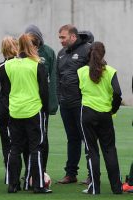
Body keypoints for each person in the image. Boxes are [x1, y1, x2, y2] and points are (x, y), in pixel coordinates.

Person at [5, 33, 51, 194]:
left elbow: (7, 87)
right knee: (36, 147)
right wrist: (45, 109)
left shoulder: (9, 65)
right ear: (32, 47)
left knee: (15, 148)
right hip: (33, 110)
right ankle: (38, 185)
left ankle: (12, 184)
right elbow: (44, 91)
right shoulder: (37, 64)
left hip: (15, 110)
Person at [78, 41, 122, 194]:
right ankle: (116, 188)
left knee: (92, 151)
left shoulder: (82, 71)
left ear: (89, 53)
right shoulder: (110, 71)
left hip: (87, 114)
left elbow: (78, 92)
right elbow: (117, 93)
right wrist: (113, 109)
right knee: (109, 150)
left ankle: (94, 188)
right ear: (103, 54)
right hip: (105, 114)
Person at [56, 24, 93, 184]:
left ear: (73, 36)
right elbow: (57, 78)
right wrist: (59, 98)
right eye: (59, 38)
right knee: (72, 139)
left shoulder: (87, 50)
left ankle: (92, 174)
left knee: (88, 139)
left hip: (81, 104)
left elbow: (95, 74)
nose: (61, 41)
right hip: (65, 104)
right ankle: (71, 174)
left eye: (63, 37)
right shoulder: (61, 53)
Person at [24, 25, 58, 175]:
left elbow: (53, 79)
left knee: (42, 136)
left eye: (35, 41)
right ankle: (29, 171)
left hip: (41, 104)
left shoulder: (48, 52)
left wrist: (51, 104)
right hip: (25, 103)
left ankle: (41, 170)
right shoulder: (21, 53)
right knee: (25, 138)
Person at [0, 36, 18, 169]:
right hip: (15, 106)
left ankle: (10, 174)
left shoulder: (0, 66)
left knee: (7, 143)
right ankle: (27, 175)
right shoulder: (21, 66)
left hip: (4, 106)